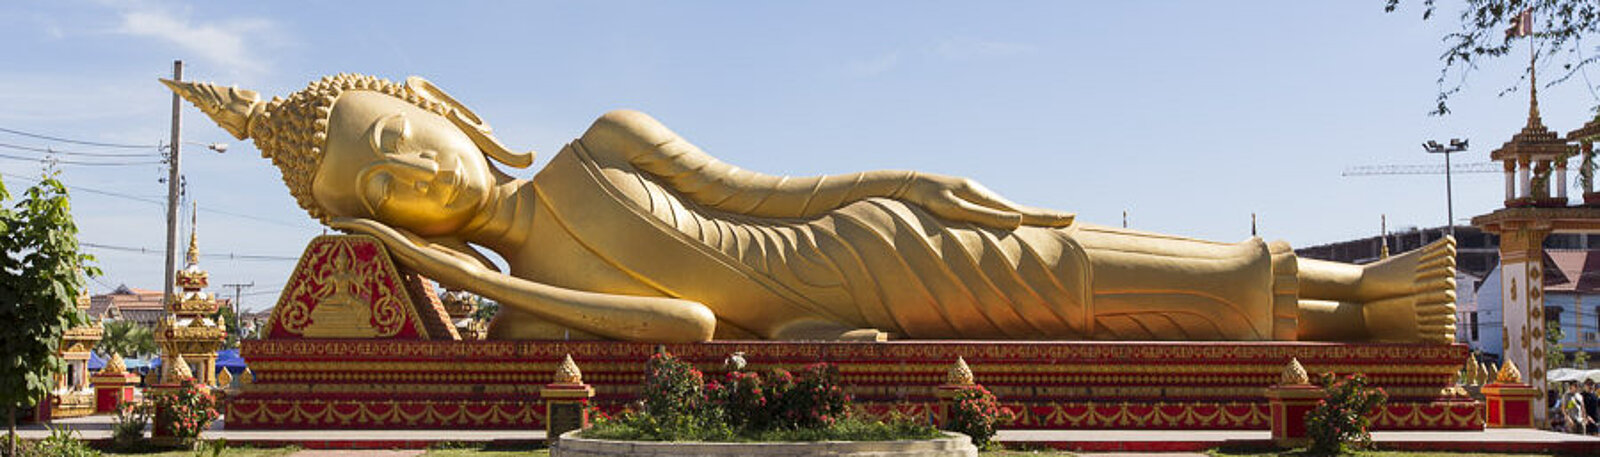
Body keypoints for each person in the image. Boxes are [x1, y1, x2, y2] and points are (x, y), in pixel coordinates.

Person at [164, 75, 1460, 343]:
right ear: (386, 229)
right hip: (820, 322)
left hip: (855, 245)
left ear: (438, 105)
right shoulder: (532, 311)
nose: (413, 175)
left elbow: (763, 195)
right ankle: (1357, 318)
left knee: (1067, 260)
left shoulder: (600, 144)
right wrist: (470, 276)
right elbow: (686, 324)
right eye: (380, 194)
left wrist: (907, 182)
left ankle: (1361, 295)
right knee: (1074, 305)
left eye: (401, 139)